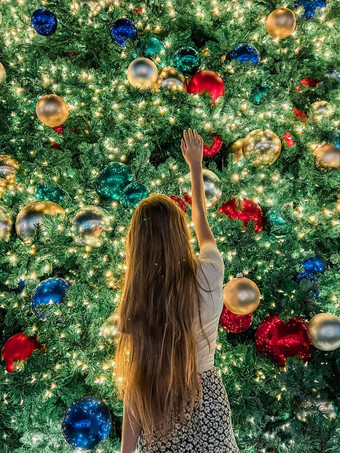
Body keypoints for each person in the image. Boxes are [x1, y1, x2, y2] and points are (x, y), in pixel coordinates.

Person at [115, 129, 239, 453]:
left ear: (137, 249)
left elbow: (134, 387)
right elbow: (202, 223)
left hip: (162, 413)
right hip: (208, 403)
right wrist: (196, 168)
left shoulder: (139, 300)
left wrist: (126, 451)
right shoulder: (209, 275)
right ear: (179, 235)